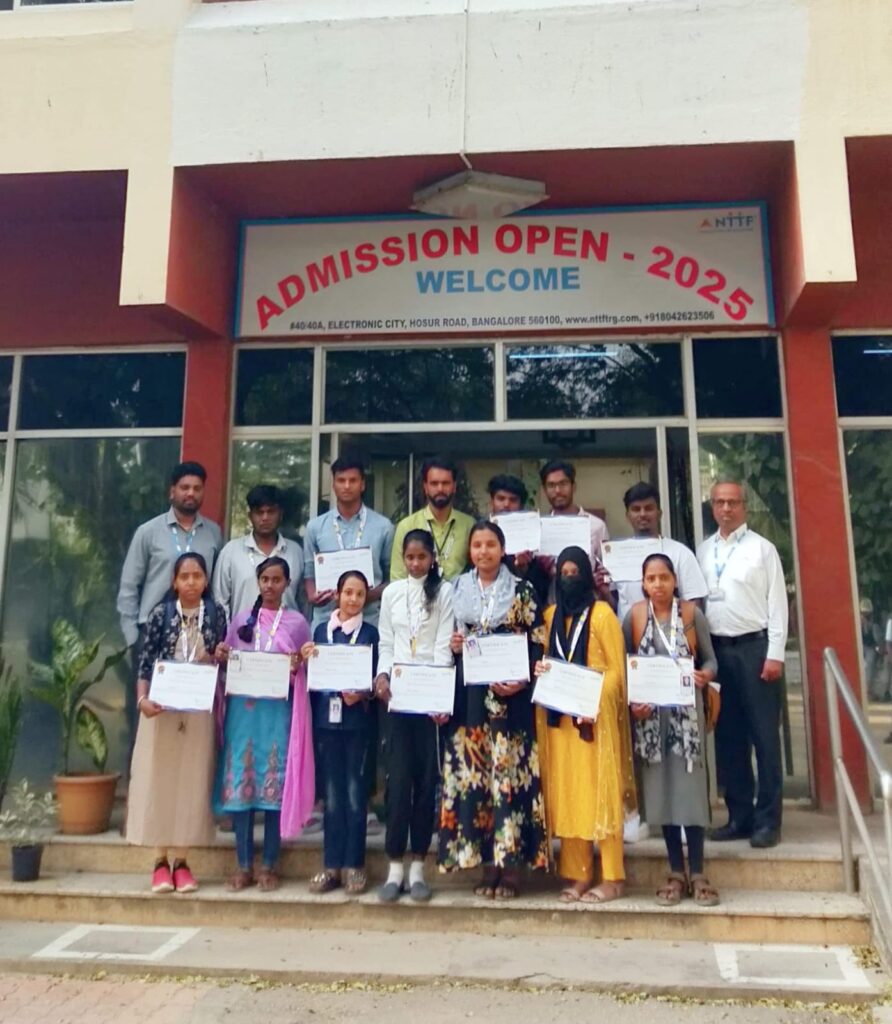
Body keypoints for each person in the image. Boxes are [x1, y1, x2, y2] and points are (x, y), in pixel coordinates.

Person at [440, 520, 548, 897]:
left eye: (490, 545)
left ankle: (512, 866)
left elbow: (538, 641)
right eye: (477, 545)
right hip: (469, 699)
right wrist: (454, 644)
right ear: (469, 551)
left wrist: (524, 679)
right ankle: (486, 864)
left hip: (510, 698)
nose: (483, 551)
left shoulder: (522, 589)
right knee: (476, 779)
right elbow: (444, 638)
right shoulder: (455, 588)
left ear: (502, 550)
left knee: (509, 778)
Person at [533, 546, 634, 904]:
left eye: (575, 573)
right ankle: (578, 873)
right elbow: (542, 660)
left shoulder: (603, 615)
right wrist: (539, 669)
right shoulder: (549, 617)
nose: (569, 579)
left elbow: (618, 673)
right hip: (561, 723)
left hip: (595, 722)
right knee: (570, 796)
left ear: (588, 577)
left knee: (601, 795)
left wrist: (593, 699)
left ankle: (613, 877)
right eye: (564, 573)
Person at [125, 552, 227, 894]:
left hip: (198, 711)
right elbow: (145, 661)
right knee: (161, 781)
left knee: (192, 782)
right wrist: (142, 700)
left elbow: (219, 657)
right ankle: (159, 861)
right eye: (185, 576)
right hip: (162, 708)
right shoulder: (161, 614)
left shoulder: (216, 613)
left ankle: (182, 862)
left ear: (206, 581)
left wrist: (219, 656)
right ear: (174, 581)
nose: (191, 582)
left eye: (197, 576)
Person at [697, 480, 789, 849]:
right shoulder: (704, 551)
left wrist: (775, 653)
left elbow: (778, 604)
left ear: (744, 506)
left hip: (756, 649)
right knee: (729, 739)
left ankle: (768, 821)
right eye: (720, 502)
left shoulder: (762, 549)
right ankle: (739, 817)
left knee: (764, 738)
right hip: (718, 652)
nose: (726, 509)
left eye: (733, 502)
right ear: (712, 507)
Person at [624, 553, 720, 906]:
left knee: (690, 792)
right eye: (651, 578)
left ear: (675, 580)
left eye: (664, 577)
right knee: (661, 792)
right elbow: (626, 664)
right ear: (643, 582)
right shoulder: (635, 617)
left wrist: (705, 675)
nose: (658, 584)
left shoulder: (691, 615)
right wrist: (633, 703)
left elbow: (710, 659)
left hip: (686, 718)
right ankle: (676, 871)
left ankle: (698, 871)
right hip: (652, 720)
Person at [213, 556, 312, 892]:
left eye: (276, 580)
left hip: (277, 715)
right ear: (258, 582)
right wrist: (222, 656)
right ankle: (243, 866)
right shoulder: (241, 620)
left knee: (274, 789)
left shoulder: (297, 623)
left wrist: (297, 666)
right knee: (241, 789)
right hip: (243, 715)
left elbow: (305, 669)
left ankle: (269, 865)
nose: (270, 585)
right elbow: (229, 665)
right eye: (265, 579)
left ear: (287, 584)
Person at [117, 462, 223, 745]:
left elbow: (215, 586)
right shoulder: (148, 532)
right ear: (171, 491)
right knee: (148, 712)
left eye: (197, 488)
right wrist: (133, 638)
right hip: (153, 634)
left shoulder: (213, 533)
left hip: (197, 635)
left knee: (192, 716)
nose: (191, 493)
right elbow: (129, 587)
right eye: (184, 487)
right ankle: (143, 773)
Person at [374, 530, 454, 903]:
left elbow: (443, 646)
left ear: (432, 558)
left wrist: (438, 696)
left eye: (422, 557)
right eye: (410, 557)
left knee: (425, 783)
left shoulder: (444, 592)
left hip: (429, 698)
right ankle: (394, 866)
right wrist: (382, 675)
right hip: (398, 697)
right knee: (398, 781)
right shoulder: (392, 593)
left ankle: (419, 865)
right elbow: (387, 642)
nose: (416, 563)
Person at [301, 571, 378, 895]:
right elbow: (314, 679)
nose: (353, 599)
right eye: (348, 592)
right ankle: (331, 865)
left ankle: (354, 866)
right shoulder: (321, 632)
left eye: (359, 594)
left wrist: (362, 694)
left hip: (357, 725)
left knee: (355, 796)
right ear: (337, 595)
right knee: (331, 797)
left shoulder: (370, 634)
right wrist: (307, 660)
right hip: (326, 724)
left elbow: (376, 680)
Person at [304, 456, 394, 628]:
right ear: (333, 484)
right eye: (341, 480)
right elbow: (309, 574)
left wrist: (366, 595)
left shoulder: (384, 527)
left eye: (353, 480)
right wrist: (312, 595)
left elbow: (392, 578)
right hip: (326, 621)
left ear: (363, 484)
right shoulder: (315, 527)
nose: (346, 486)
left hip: (369, 622)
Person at [612, 482, 708, 622]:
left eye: (649, 508)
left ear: (659, 513)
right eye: (636, 509)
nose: (642, 514)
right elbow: (615, 602)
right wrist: (602, 589)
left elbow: (694, 603)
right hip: (628, 633)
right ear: (628, 516)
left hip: (672, 633)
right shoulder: (617, 555)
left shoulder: (680, 553)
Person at [212, 484, 304, 621]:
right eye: (259, 512)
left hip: (287, 633)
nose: (265, 518)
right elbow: (220, 601)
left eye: (271, 512)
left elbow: (303, 603)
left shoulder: (295, 552)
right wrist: (230, 632)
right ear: (250, 516)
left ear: (280, 514)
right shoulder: (231, 552)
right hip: (242, 633)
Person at [391, 456, 474, 583]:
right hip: (416, 595)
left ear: (454, 486)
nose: (440, 489)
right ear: (425, 487)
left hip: (457, 594)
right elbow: (397, 579)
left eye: (445, 483)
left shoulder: (469, 525)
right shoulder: (407, 526)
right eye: (434, 483)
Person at [488, 473, 550, 605]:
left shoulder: (533, 535)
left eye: (513, 500)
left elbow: (542, 587)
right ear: (491, 501)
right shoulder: (481, 532)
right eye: (501, 498)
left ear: (521, 505)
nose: (506, 504)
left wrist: (524, 568)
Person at [539, 459, 609, 563]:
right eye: (551, 485)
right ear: (544, 490)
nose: (558, 490)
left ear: (574, 487)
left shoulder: (597, 526)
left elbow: (605, 567)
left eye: (563, 483)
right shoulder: (538, 529)